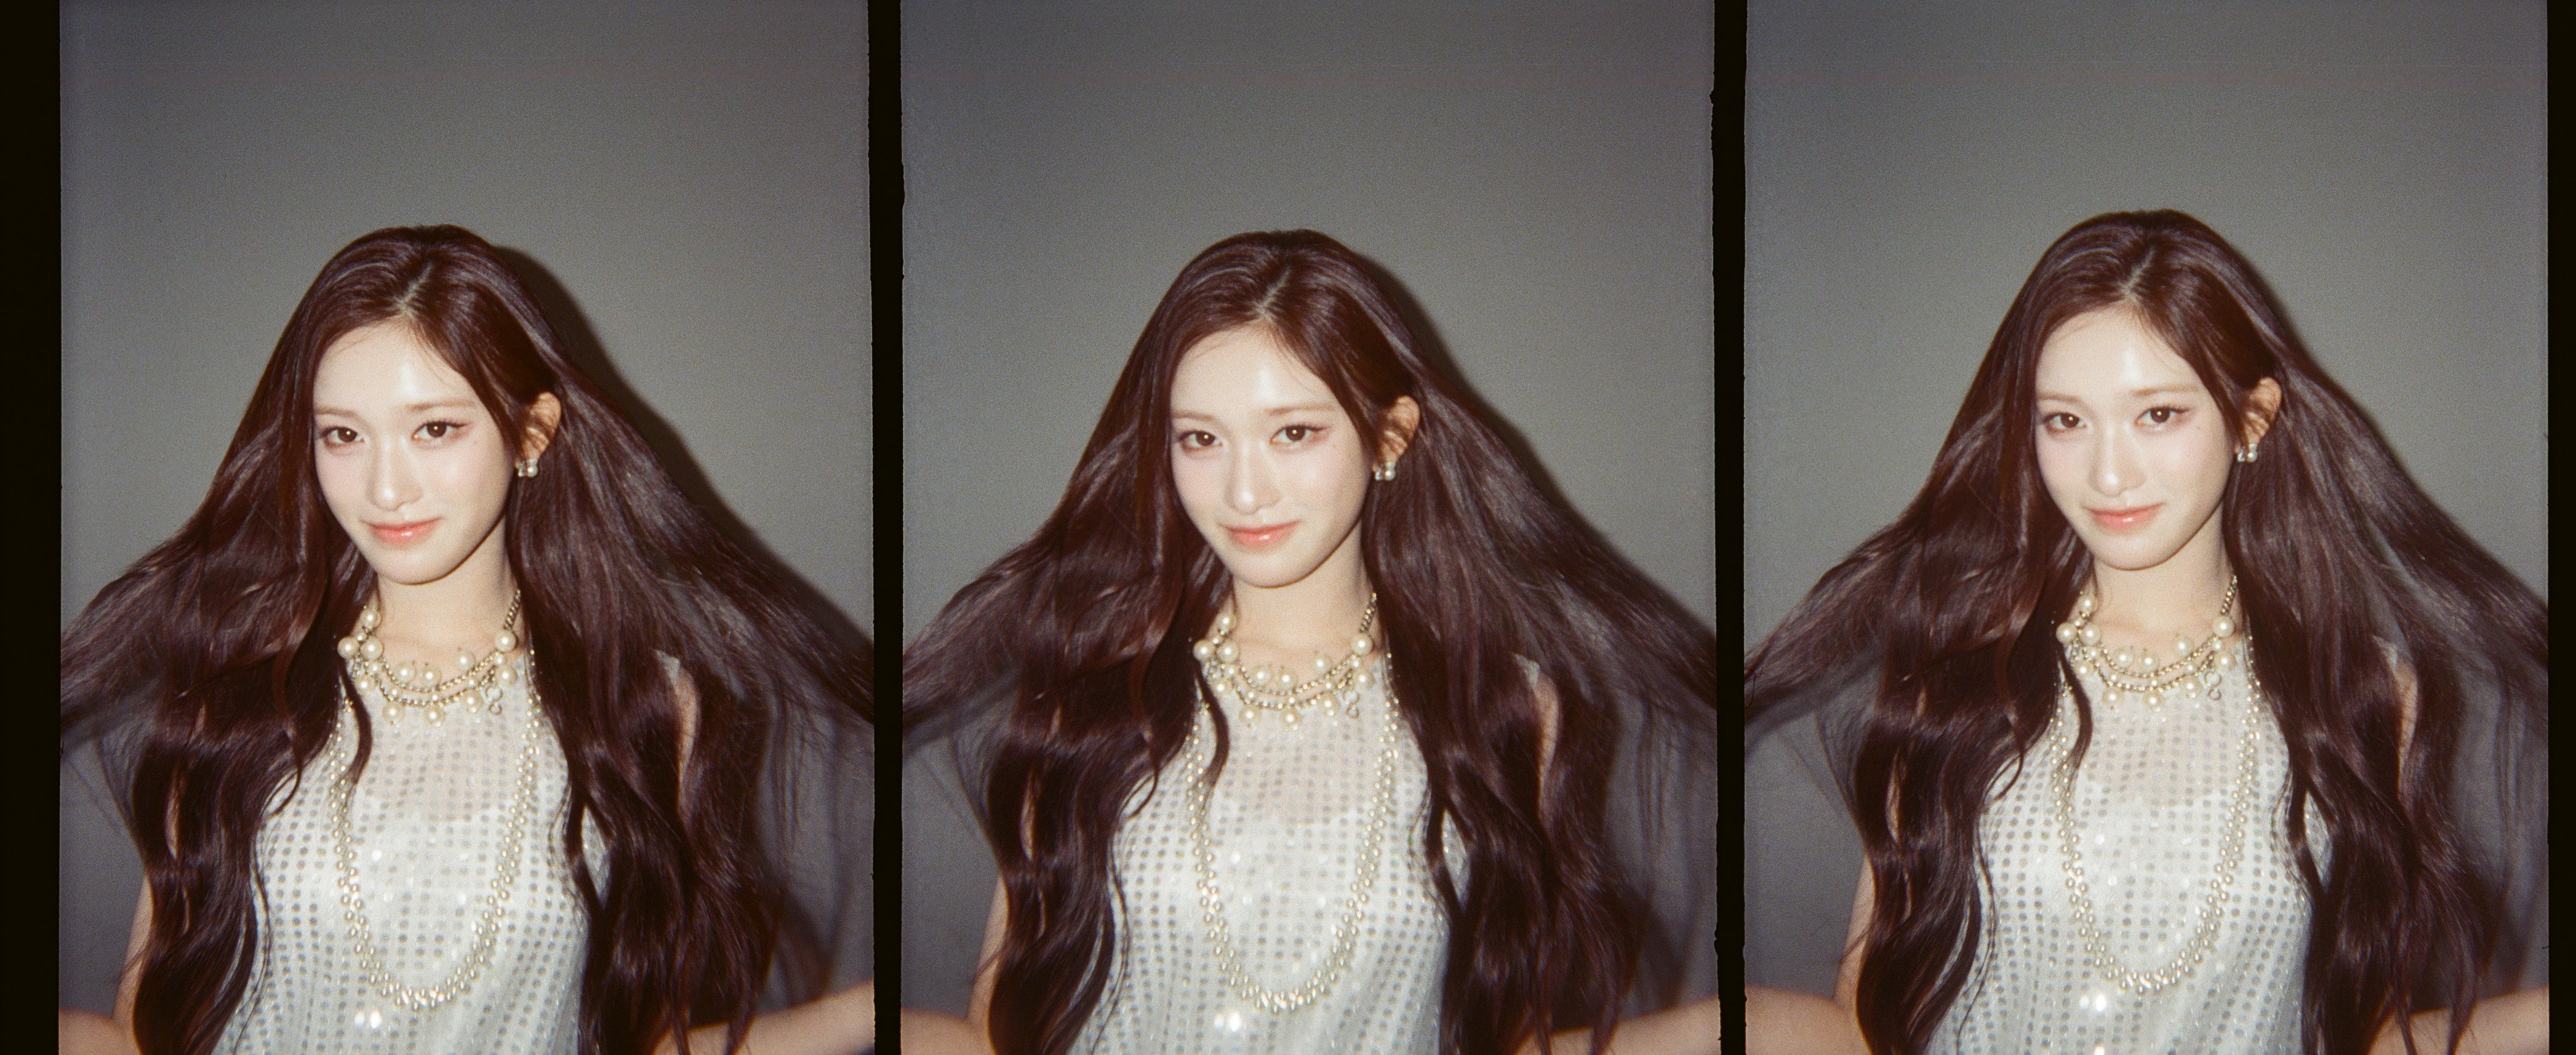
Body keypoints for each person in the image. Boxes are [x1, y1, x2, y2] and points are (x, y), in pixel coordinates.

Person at [1742, 210, 2548, 1054]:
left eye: (2158, 415)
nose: (2108, 474)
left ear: (2252, 419)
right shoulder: (1955, 674)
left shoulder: (2361, 693)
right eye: (2065, 420)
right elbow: (1864, 1031)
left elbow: (2369, 1041)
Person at [57, 226, 875, 1055]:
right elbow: (141, 1036)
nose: (385, 488)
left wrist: (862, 1017)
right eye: (343, 434)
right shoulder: (236, 688)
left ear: (531, 433)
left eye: (435, 429)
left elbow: (645, 1044)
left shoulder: (643, 702)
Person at [899, 229, 1721, 1054]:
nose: (1244, 492)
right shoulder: (1094, 689)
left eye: (1293, 433)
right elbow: (997, 1033)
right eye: (1201, 439)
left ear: (1389, 436)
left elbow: (1506, 1039)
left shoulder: (1502, 705)